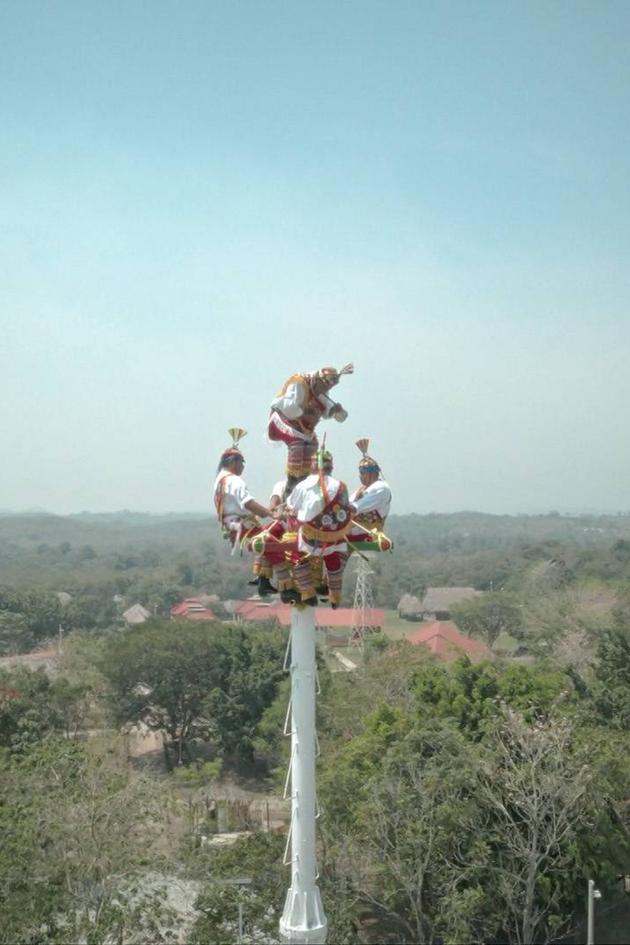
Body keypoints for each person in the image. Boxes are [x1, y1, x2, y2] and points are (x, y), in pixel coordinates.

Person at [213, 429, 280, 596]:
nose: (243, 467)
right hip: (244, 527)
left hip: (235, 527)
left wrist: (266, 511)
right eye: (242, 463)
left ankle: (263, 579)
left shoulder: (220, 481)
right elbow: (248, 503)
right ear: (234, 462)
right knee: (278, 545)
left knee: (269, 535)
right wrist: (269, 513)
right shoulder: (234, 480)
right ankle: (289, 587)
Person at [268, 364, 353, 493]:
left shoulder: (319, 390)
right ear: (319, 380)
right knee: (297, 443)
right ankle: (292, 485)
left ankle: (305, 480)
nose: (325, 391)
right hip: (280, 418)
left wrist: (335, 410)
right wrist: (307, 412)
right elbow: (289, 409)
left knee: (312, 445)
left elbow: (333, 413)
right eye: (325, 387)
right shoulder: (299, 382)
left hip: (301, 426)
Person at [285, 449, 352, 608]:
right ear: (331, 467)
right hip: (334, 538)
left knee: (296, 553)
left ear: (313, 466)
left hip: (310, 538)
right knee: (333, 554)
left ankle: (307, 592)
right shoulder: (341, 486)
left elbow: (291, 506)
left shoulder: (303, 485)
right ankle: (335, 596)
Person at [348, 439, 392, 542]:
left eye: (362, 472)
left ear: (371, 473)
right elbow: (348, 504)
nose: (359, 475)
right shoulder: (362, 489)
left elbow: (355, 507)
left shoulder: (381, 488)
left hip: (367, 534)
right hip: (351, 532)